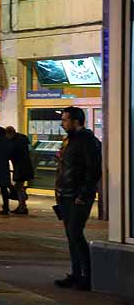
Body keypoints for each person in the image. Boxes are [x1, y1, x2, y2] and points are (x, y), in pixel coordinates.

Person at [54, 107, 102, 291]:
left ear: (76, 121)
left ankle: (86, 275)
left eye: (66, 120)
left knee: (75, 234)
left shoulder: (87, 141)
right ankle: (75, 274)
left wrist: (84, 194)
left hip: (77, 196)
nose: (62, 123)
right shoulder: (70, 140)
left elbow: (93, 170)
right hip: (65, 194)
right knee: (71, 236)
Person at [5, 126, 34, 215]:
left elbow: (11, 153)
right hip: (26, 165)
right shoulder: (23, 138)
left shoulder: (14, 142)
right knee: (19, 186)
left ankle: (22, 206)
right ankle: (22, 205)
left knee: (19, 186)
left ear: (10, 133)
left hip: (20, 166)